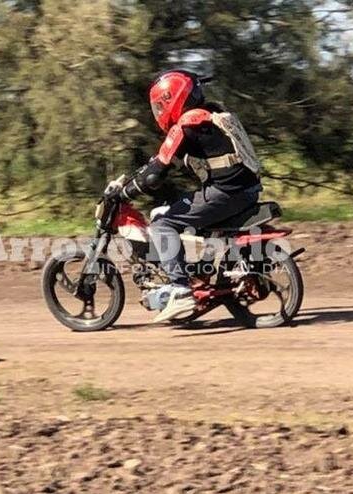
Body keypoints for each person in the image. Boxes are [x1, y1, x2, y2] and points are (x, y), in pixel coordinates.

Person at [112, 70, 263, 322]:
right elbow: (159, 162)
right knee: (166, 210)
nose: (159, 111)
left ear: (173, 98)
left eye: (160, 105)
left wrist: (127, 192)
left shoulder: (187, 123)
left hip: (225, 193)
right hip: (246, 190)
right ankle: (200, 274)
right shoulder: (212, 115)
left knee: (162, 224)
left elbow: (155, 173)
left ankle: (181, 290)